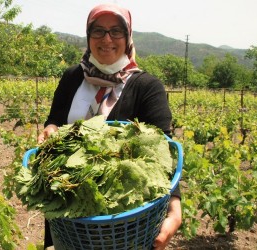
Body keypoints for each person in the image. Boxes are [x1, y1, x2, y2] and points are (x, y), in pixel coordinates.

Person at [37, 3, 182, 250]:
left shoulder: (147, 87)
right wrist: (50, 129)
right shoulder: (72, 77)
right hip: (68, 208)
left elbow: (165, 151)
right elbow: (55, 120)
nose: (107, 39)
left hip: (123, 217)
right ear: (88, 35)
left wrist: (175, 207)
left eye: (116, 31)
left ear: (127, 37)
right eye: (98, 31)